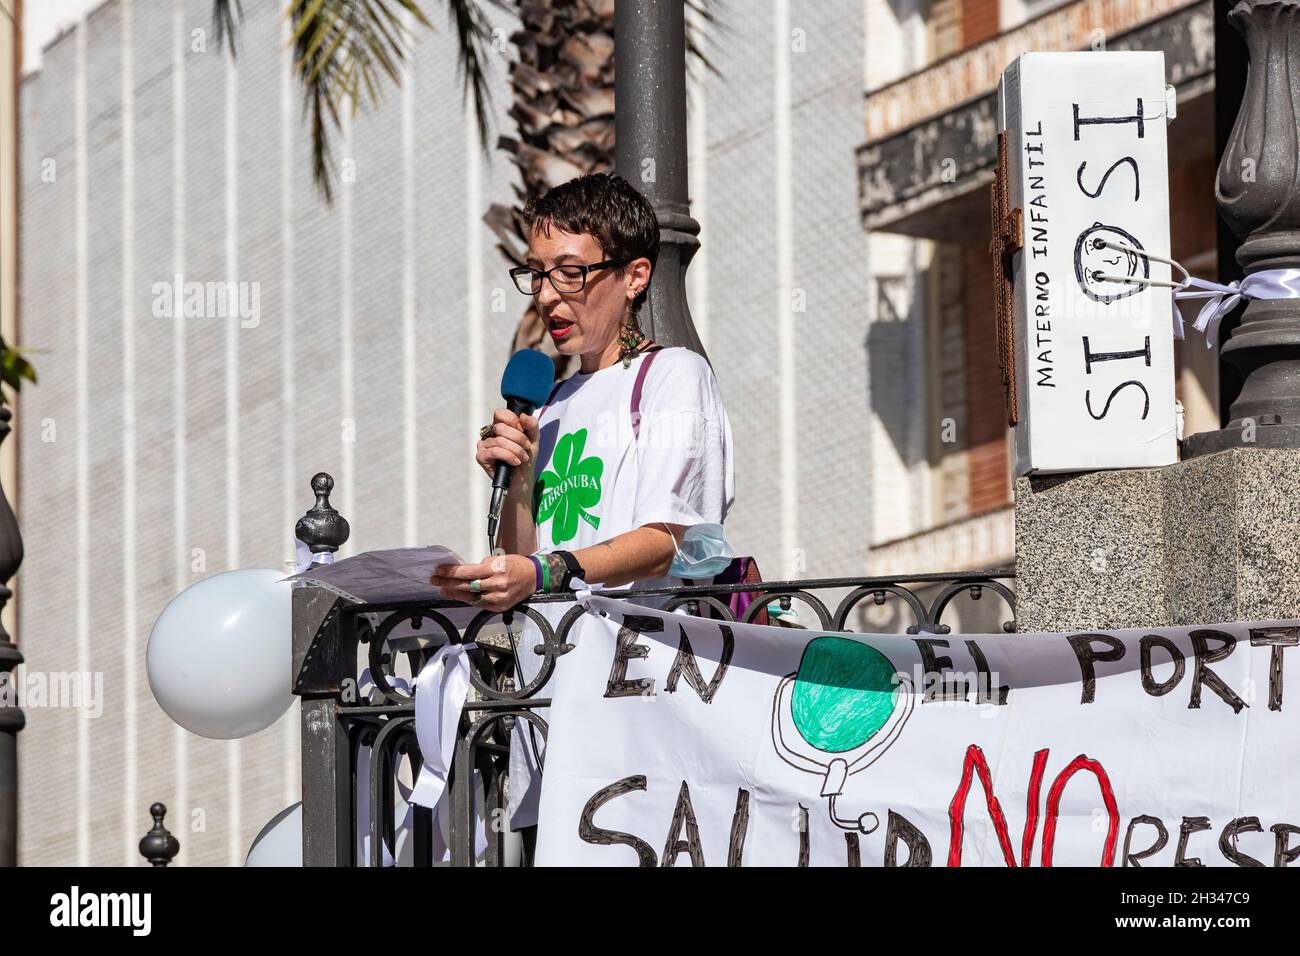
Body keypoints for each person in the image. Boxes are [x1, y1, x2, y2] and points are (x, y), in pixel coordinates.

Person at [429, 171, 735, 856]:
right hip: (551, 706)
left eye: (571, 273)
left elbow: (673, 539)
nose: (547, 296)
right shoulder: (552, 402)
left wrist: (544, 570)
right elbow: (529, 551)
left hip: (644, 705)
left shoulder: (672, 376)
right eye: (537, 274)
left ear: (633, 276)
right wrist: (519, 485)